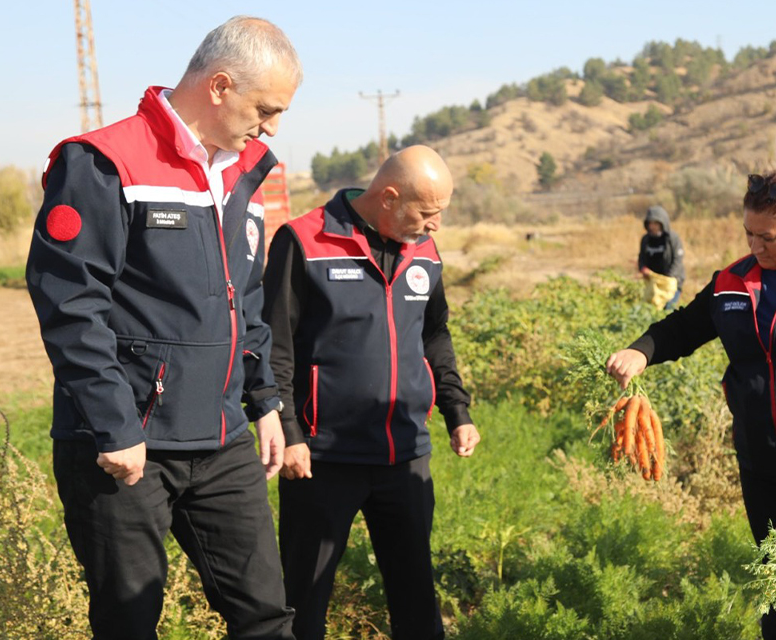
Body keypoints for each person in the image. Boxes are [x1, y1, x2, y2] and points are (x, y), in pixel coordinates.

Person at [25, 16, 301, 639]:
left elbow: (246, 300)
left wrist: (264, 402)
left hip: (223, 437)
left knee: (266, 618)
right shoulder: (104, 162)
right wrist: (114, 426)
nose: (273, 126)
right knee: (128, 623)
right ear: (221, 86)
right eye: (267, 108)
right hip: (124, 447)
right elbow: (70, 304)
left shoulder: (245, 170)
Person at [262, 145, 481, 640]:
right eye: (427, 213)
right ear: (388, 197)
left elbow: (435, 335)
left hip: (404, 457)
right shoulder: (303, 241)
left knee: (417, 602)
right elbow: (274, 344)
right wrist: (291, 433)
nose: (435, 226)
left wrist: (457, 410)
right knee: (303, 603)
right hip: (322, 458)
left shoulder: (423, 250)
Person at [606, 170, 776, 548]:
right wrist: (641, 351)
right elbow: (683, 328)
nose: (756, 247)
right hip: (759, 463)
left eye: (768, 238)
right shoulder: (731, 282)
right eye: (749, 233)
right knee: (775, 572)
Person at [636, 205, 685, 310]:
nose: (652, 227)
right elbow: (641, 258)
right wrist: (642, 268)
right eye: (650, 223)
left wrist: (668, 278)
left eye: (656, 223)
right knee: (651, 311)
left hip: (672, 282)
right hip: (654, 283)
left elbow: (678, 260)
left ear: (663, 223)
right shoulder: (646, 240)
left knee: (667, 311)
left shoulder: (672, 238)